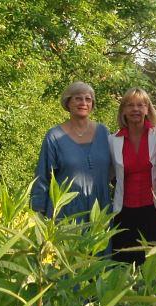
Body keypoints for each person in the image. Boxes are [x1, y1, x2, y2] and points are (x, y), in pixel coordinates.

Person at [31, 81, 111, 220]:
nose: (83, 103)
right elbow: (42, 175)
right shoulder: (54, 136)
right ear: (68, 102)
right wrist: (38, 210)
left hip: (100, 210)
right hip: (66, 210)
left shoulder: (104, 133)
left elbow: (117, 170)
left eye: (88, 99)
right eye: (78, 98)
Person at [109, 87, 156, 265]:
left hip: (154, 210)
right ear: (123, 111)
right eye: (130, 105)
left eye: (140, 105)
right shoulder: (113, 140)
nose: (135, 109)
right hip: (124, 211)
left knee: (155, 263)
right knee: (124, 263)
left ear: (147, 109)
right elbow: (110, 174)